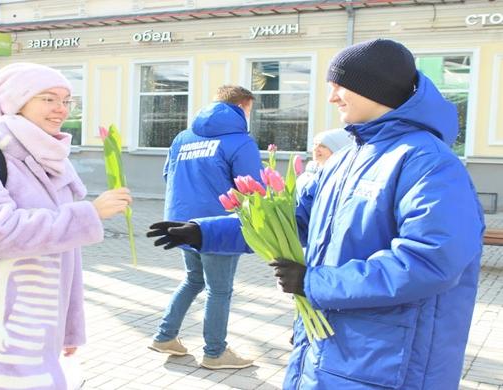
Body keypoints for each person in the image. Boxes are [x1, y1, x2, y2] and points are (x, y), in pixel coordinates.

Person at [148, 38, 484, 389]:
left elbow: (430, 262)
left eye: (341, 86)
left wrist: (313, 282)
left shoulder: (427, 163)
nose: (332, 97)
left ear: (376, 88)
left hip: (388, 364)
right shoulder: (347, 158)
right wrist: (207, 232)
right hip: (328, 349)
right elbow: (296, 219)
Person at [0, 63, 132, 389]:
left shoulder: (53, 157)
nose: (61, 109)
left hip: (41, 326)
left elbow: (68, 255)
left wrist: (69, 327)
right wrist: (89, 214)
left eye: (67, 100)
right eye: (48, 98)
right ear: (16, 100)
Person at [148, 85, 262, 369]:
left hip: (182, 222)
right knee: (219, 290)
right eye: (250, 109)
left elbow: (168, 175)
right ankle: (215, 353)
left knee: (194, 279)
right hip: (218, 227)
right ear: (242, 106)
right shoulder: (240, 140)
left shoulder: (183, 137)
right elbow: (253, 187)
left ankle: (165, 337)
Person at [295, 128, 352, 196]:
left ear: (337, 151)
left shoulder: (342, 179)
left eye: (322, 146)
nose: (315, 149)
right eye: (315, 144)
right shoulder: (309, 172)